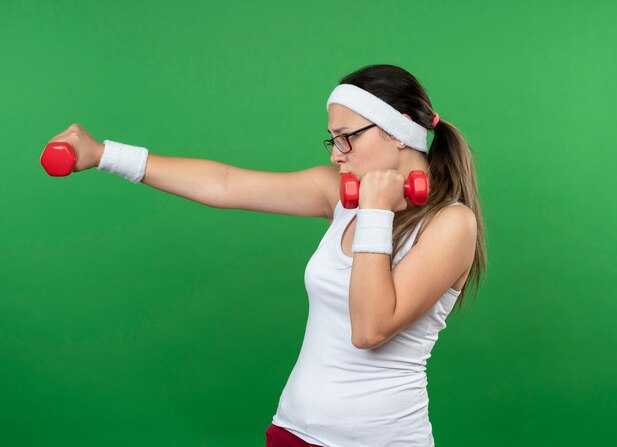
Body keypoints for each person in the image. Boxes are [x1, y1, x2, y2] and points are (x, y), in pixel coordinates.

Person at [46, 64, 486, 447]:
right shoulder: (336, 194)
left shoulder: (451, 224)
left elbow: (370, 328)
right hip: (292, 431)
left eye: (347, 138)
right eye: (332, 140)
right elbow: (226, 184)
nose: (337, 155)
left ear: (402, 129)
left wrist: (374, 211)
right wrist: (105, 154)